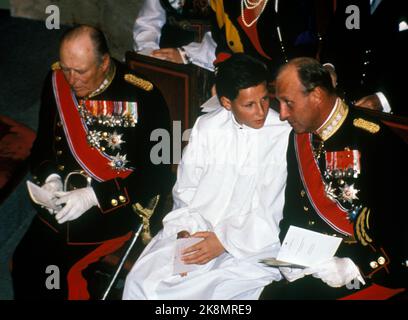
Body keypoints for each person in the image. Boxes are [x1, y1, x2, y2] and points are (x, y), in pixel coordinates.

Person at [11, 25, 173, 300]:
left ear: (104, 63)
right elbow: (42, 146)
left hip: (113, 208)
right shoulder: (56, 81)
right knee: (25, 263)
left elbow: (159, 175)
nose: (71, 80)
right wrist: (50, 177)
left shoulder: (145, 97)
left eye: (81, 71)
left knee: (66, 273)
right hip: (61, 200)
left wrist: (93, 195)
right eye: (66, 68)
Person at [122, 53, 291, 300]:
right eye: (249, 105)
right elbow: (186, 190)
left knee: (203, 293)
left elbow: (271, 212)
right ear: (226, 103)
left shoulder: (282, 136)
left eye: (265, 99)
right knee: (143, 282)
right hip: (197, 229)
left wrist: (222, 242)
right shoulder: (207, 127)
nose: (261, 111)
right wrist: (184, 233)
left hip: (249, 244)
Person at [260, 57, 407, 299]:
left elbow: (399, 223)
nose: (282, 114)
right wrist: (290, 254)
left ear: (316, 95)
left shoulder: (374, 140)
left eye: (288, 103)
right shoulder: (299, 137)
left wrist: (357, 266)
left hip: (370, 271)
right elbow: (295, 208)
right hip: (317, 264)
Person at [321, 0, 408, 116]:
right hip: (345, 105)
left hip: (395, 112)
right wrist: (328, 67)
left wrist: (385, 99)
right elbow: (333, 39)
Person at [209, 0, 320, 78]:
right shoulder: (223, 3)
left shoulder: (295, 3)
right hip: (248, 84)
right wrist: (222, 75)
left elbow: (306, 49)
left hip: (291, 80)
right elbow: (223, 44)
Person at [133, 0, 216, 71]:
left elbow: (224, 45)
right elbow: (147, 25)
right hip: (164, 63)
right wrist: (151, 53)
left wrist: (185, 54)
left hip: (205, 66)